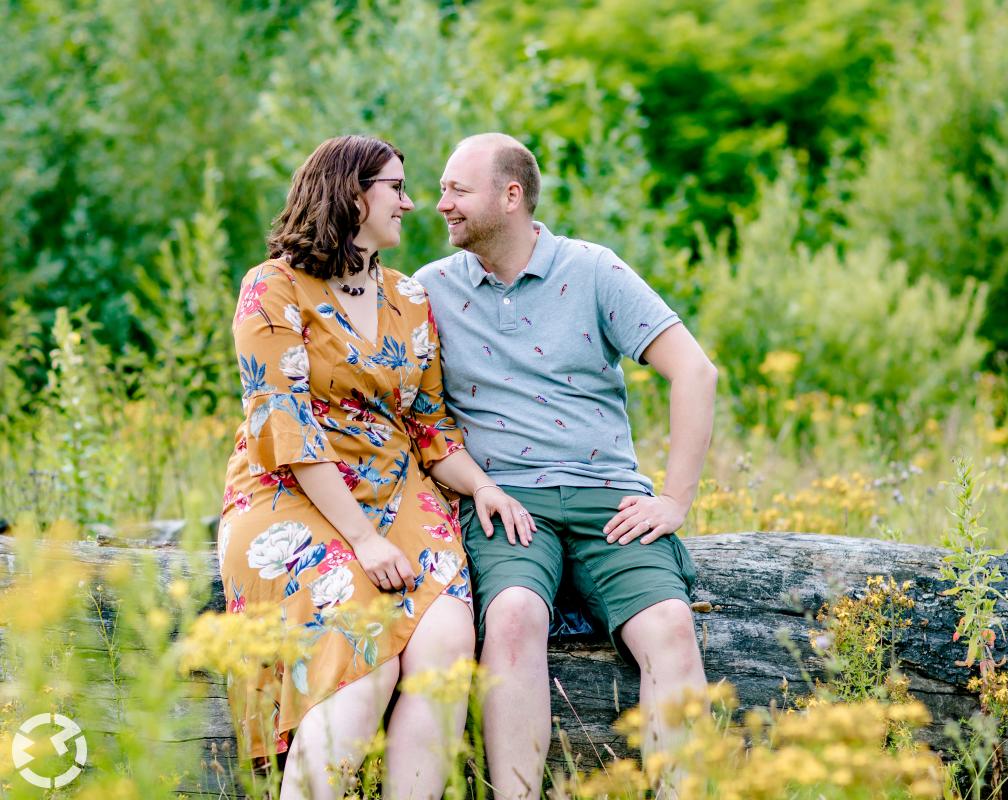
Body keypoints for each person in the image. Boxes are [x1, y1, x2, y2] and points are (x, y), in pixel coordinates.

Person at [217, 134, 534, 800]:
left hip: (399, 491)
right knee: (367, 662)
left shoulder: (409, 299)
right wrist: (362, 539)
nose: (413, 203)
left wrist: (482, 487)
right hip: (292, 494)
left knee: (446, 646)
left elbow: (428, 425)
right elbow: (286, 425)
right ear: (351, 192)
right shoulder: (271, 288)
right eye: (397, 187)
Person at [415, 132, 718, 799]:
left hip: (608, 498)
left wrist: (673, 501)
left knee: (671, 625)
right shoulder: (428, 291)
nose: (441, 205)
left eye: (456, 190)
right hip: (506, 501)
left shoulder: (593, 270)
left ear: (511, 195)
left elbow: (695, 371)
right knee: (516, 615)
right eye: (442, 190)